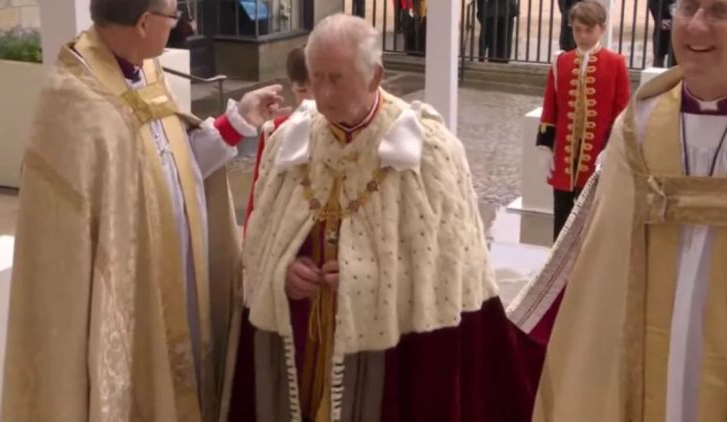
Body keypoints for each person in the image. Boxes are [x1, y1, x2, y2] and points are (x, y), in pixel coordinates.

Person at [231, 13, 543, 422]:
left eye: (336, 79)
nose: (322, 96)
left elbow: (449, 277)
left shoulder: (429, 153)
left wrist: (372, 280)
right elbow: (259, 245)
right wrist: (282, 272)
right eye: (315, 77)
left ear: (375, 76)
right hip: (305, 355)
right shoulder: (290, 142)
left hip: (392, 367)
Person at [0, 0, 291, 420]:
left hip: (179, 282)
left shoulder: (143, 71)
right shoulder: (74, 103)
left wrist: (235, 123)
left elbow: (172, 165)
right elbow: (66, 250)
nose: (181, 24)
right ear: (143, 23)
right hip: (128, 300)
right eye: (174, 15)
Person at [527, 0, 727, 418]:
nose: (696, 26)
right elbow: (597, 280)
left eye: (719, 11)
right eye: (687, 7)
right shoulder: (635, 132)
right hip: (637, 379)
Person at [536, 0, 630, 239]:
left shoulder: (616, 63)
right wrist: (545, 146)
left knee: (592, 221)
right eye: (578, 29)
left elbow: (623, 111)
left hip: (597, 157)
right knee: (562, 218)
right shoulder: (561, 62)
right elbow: (551, 106)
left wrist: (611, 148)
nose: (582, 35)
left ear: (601, 29)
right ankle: (558, 272)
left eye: (588, 30)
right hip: (564, 158)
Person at [244, 46, 314, 234]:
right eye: (303, 90)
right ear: (292, 88)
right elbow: (259, 197)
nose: (311, 99)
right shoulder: (275, 131)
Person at [648, 0, 677, 67]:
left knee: (674, 58)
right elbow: (654, 8)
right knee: (658, 56)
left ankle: (673, 75)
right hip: (661, 32)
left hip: (675, 31)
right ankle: (657, 75)